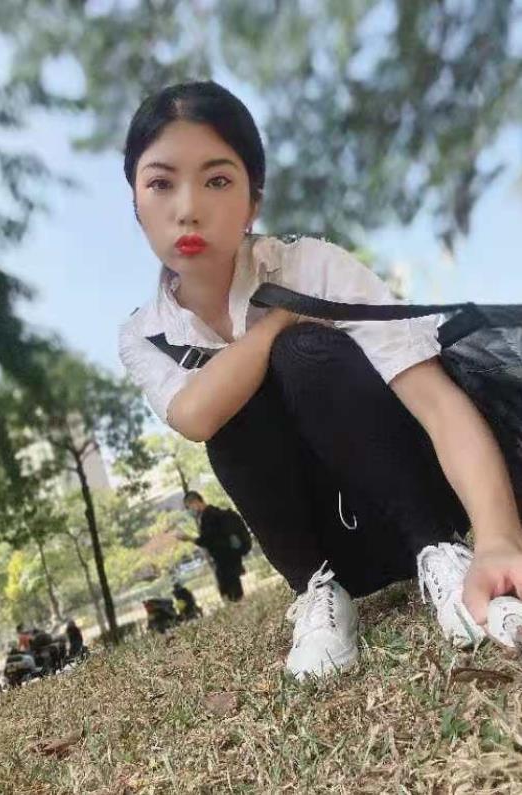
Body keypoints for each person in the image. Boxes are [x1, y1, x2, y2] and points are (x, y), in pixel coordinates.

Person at [118, 80, 522, 680]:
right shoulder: (145, 334)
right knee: (232, 389)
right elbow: (194, 416)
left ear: (253, 201)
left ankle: (441, 551)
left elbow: (435, 401)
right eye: (160, 183)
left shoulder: (312, 264)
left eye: (218, 180)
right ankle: (318, 591)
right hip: (339, 549)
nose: (188, 207)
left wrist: (498, 540)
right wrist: (276, 323)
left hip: (419, 500)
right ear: (135, 202)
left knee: (304, 353)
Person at [178, 491, 252, 602]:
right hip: (231, 559)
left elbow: (206, 540)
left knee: (231, 595)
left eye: (189, 507)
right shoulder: (216, 513)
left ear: (195, 502)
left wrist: (188, 538)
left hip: (224, 561)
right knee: (234, 591)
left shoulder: (208, 517)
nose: (190, 511)